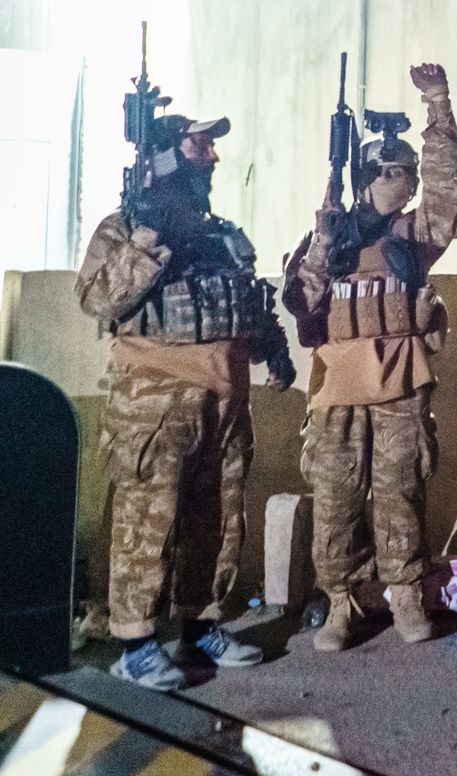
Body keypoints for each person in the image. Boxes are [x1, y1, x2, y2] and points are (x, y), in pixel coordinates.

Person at [76, 111, 293, 688]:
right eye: (200, 147)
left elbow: (243, 300)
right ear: (169, 155)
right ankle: (135, 644)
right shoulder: (126, 227)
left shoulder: (218, 232)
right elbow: (98, 299)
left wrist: (273, 350)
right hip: (154, 403)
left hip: (223, 402)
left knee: (216, 521)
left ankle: (201, 626)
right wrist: (151, 236)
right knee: (146, 525)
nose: (213, 158)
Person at [286, 64, 457, 651]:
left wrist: (437, 105)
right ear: (362, 179)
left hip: (399, 384)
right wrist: (323, 237)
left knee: (400, 496)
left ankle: (406, 594)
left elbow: (449, 189)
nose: (399, 181)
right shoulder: (329, 237)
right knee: (335, 500)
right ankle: (341, 600)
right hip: (338, 389)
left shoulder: (414, 236)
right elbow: (301, 300)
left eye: (405, 173)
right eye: (387, 172)